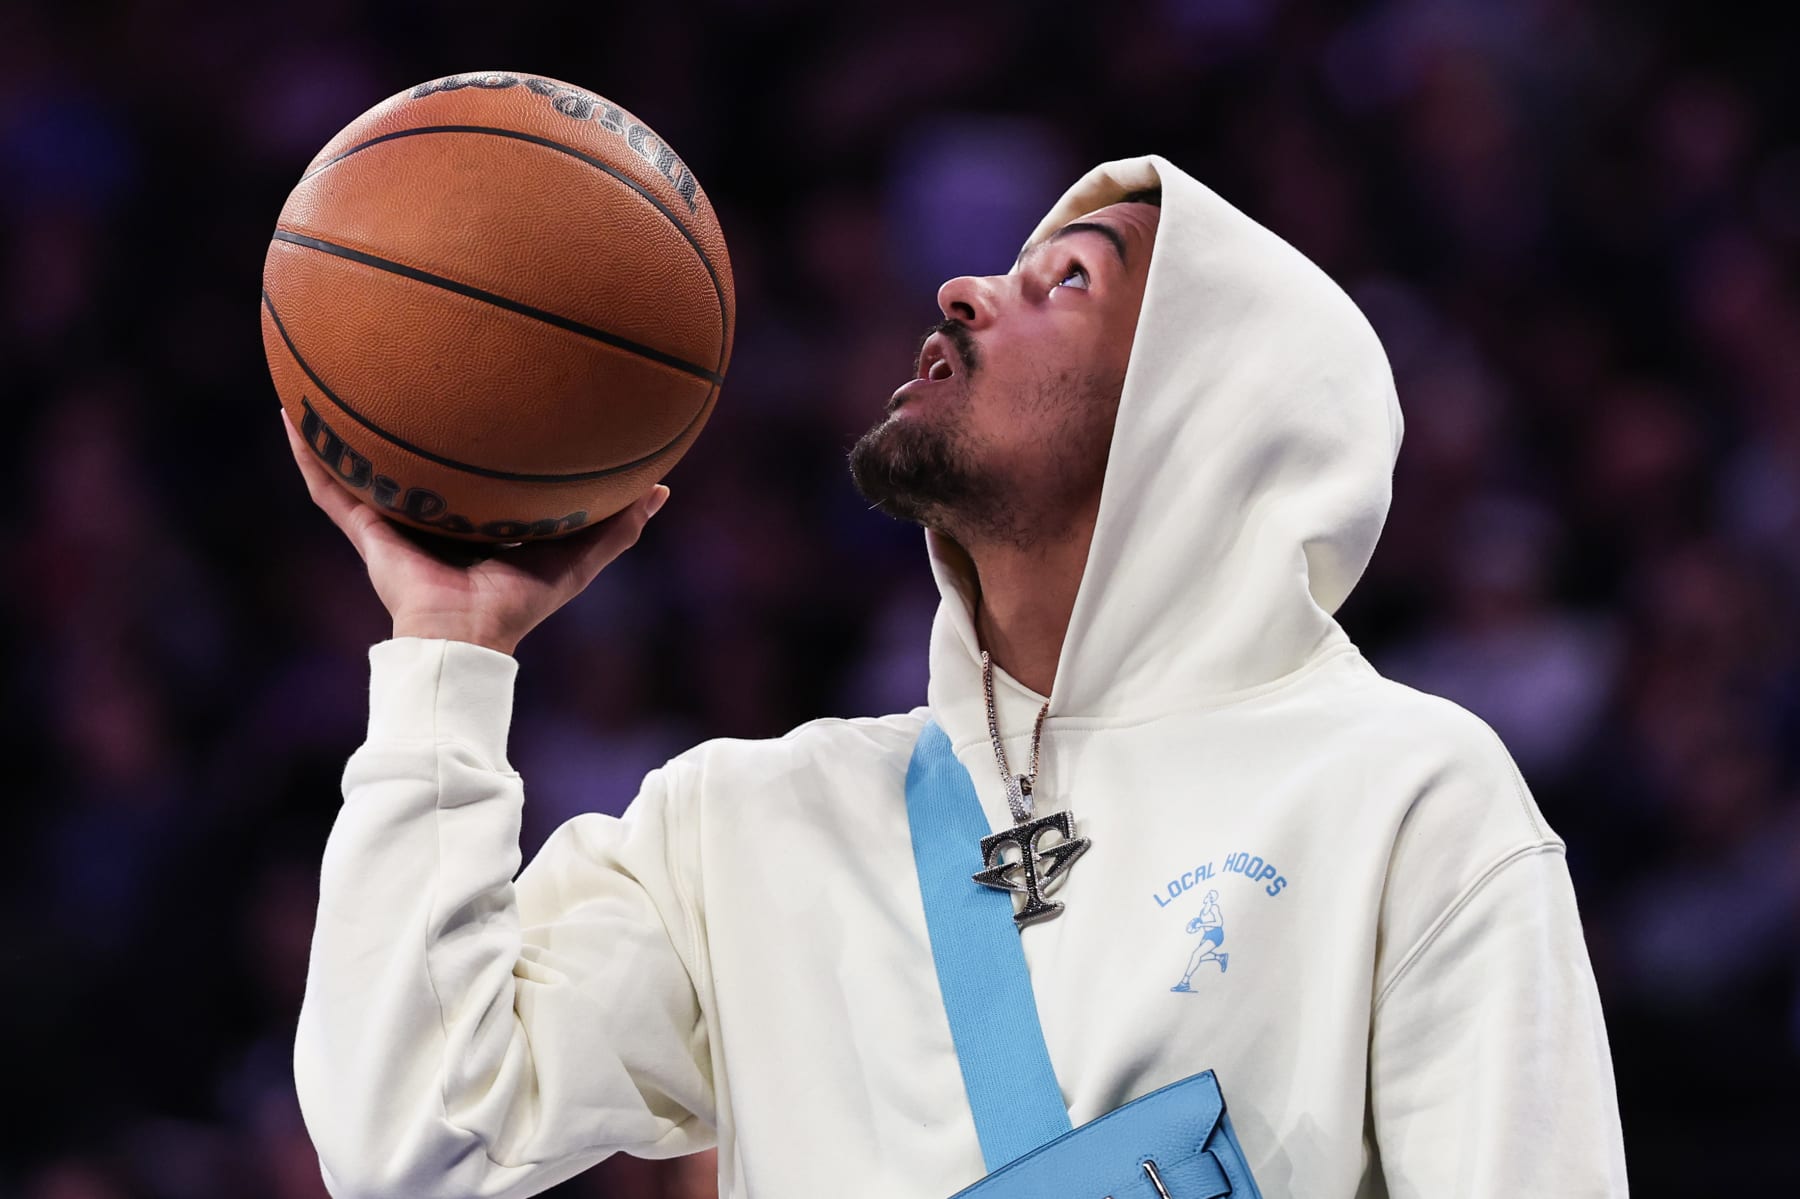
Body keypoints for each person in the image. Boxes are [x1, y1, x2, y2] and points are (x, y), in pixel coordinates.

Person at [288, 156, 1628, 1198]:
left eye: (1069, 283)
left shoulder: (1405, 795)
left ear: (1199, 413)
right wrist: (446, 657)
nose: (966, 291)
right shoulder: (740, 826)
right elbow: (411, 1140)